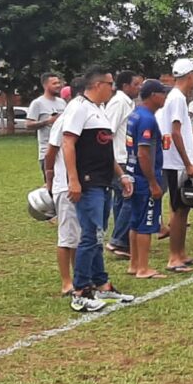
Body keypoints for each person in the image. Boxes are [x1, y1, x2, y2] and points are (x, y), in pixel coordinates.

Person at [61, 67, 136, 312]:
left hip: (103, 181)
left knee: (98, 235)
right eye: (109, 83)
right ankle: (81, 290)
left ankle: (102, 284)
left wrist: (120, 174)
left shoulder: (99, 111)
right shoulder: (78, 107)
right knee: (90, 235)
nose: (112, 88)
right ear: (96, 85)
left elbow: (106, 150)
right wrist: (74, 180)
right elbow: (67, 143)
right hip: (87, 181)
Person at [156, 58, 193, 273]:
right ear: (190, 76)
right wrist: (187, 162)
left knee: (183, 208)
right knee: (178, 209)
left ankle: (181, 253)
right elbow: (176, 132)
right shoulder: (177, 99)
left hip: (178, 161)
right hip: (175, 163)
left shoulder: (177, 98)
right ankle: (174, 257)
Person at [126, 80, 169, 279]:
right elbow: (143, 153)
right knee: (146, 222)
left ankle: (134, 264)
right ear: (153, 95)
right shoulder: (147, 119)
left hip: (133, 174)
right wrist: (153, 182)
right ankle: (143, 268)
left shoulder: (135, 114)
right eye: (163, 93)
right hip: (144, 178)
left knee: (135, 222)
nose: (165, 97)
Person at [45, 80, 82, 296]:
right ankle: (66, 282)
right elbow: (51, 153)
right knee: (67, 237)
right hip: (65, 185)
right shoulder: (64, 120)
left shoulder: (80, 117)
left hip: (77, 185)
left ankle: (79, 276)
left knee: (77, 236)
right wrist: (50, 178)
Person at [104, 71, 143, 259]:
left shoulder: (127, 103)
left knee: (121, 199)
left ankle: (123, 241)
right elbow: (107, 131)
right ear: (125, 86)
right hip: (119, 158)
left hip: (124, 156)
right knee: (130, 196)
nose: (139, 88)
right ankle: (118, 240)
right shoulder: (119, 103)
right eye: (136, 84)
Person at [25, 72, 66, 179]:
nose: (58, 85)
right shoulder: (38, 103)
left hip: (63, 150)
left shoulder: (62, 102)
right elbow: (28, 125)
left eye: (59, 82)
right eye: (54, 83)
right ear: (45, 85)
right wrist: (48, 121)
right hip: (46, 152)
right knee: (50, 184)